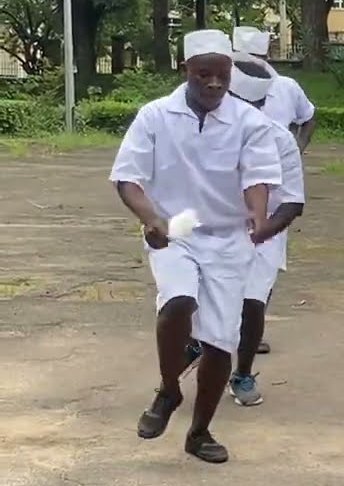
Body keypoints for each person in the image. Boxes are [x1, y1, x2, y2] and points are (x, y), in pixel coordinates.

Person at [110, 30, 282, 464]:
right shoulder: (155, 116)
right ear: (185, 68)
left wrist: (258, 215)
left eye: (222, 74)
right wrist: (151, 219)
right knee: (178, 303)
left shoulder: (250, 122)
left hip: (229, 239)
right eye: (204, 73)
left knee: (220, 342)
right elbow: (127, 178)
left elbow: (258, 178)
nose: (214, 83)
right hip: (175, 232)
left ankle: (199, 433)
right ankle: (169, 390)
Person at [224, 53, 306, 407]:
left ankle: (242, 374)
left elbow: (293, 202)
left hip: (266, 231)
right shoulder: (205, 132)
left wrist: (261, 232)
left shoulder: (279, 139)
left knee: (253, 303)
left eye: (255, 106)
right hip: (215, 229)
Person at [231, 26, 317, 357]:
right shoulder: (216, 99)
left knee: (260, 277)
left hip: (272, 197)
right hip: (225, 210)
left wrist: (297, 150)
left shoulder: (287, 88)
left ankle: (250, 334)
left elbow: (308, 118)